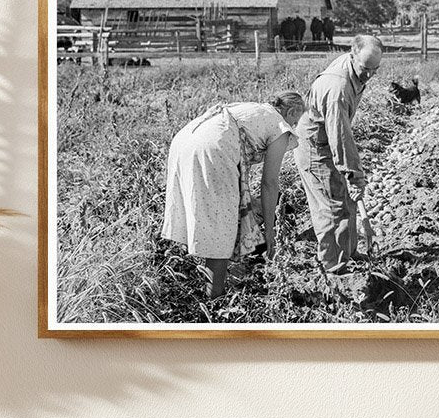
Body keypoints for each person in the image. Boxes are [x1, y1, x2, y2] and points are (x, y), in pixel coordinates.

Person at [162, 92, 304, 298]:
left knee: (211, 215)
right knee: (222, 227)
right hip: (212, 149)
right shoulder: (280, 125)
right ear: (290, 112)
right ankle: (214, 301)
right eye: (296, 121)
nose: (295, 126)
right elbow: (270, 183)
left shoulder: (256, 109)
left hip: (185, 139)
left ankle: (208, 282)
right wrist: (271, 234)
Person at [294, 34, 382, 271]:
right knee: (332, 208)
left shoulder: (354, 69)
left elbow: (339, 135)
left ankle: (349, 254)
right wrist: (354, 175)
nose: (370, 75)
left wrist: (350, 177)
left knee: (347, 202)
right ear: (352, 55)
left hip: (328, 139)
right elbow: (340, 137)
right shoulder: (338, 88)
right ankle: (332, 267)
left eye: (375, 69)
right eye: (366, 69)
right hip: (315, 148)